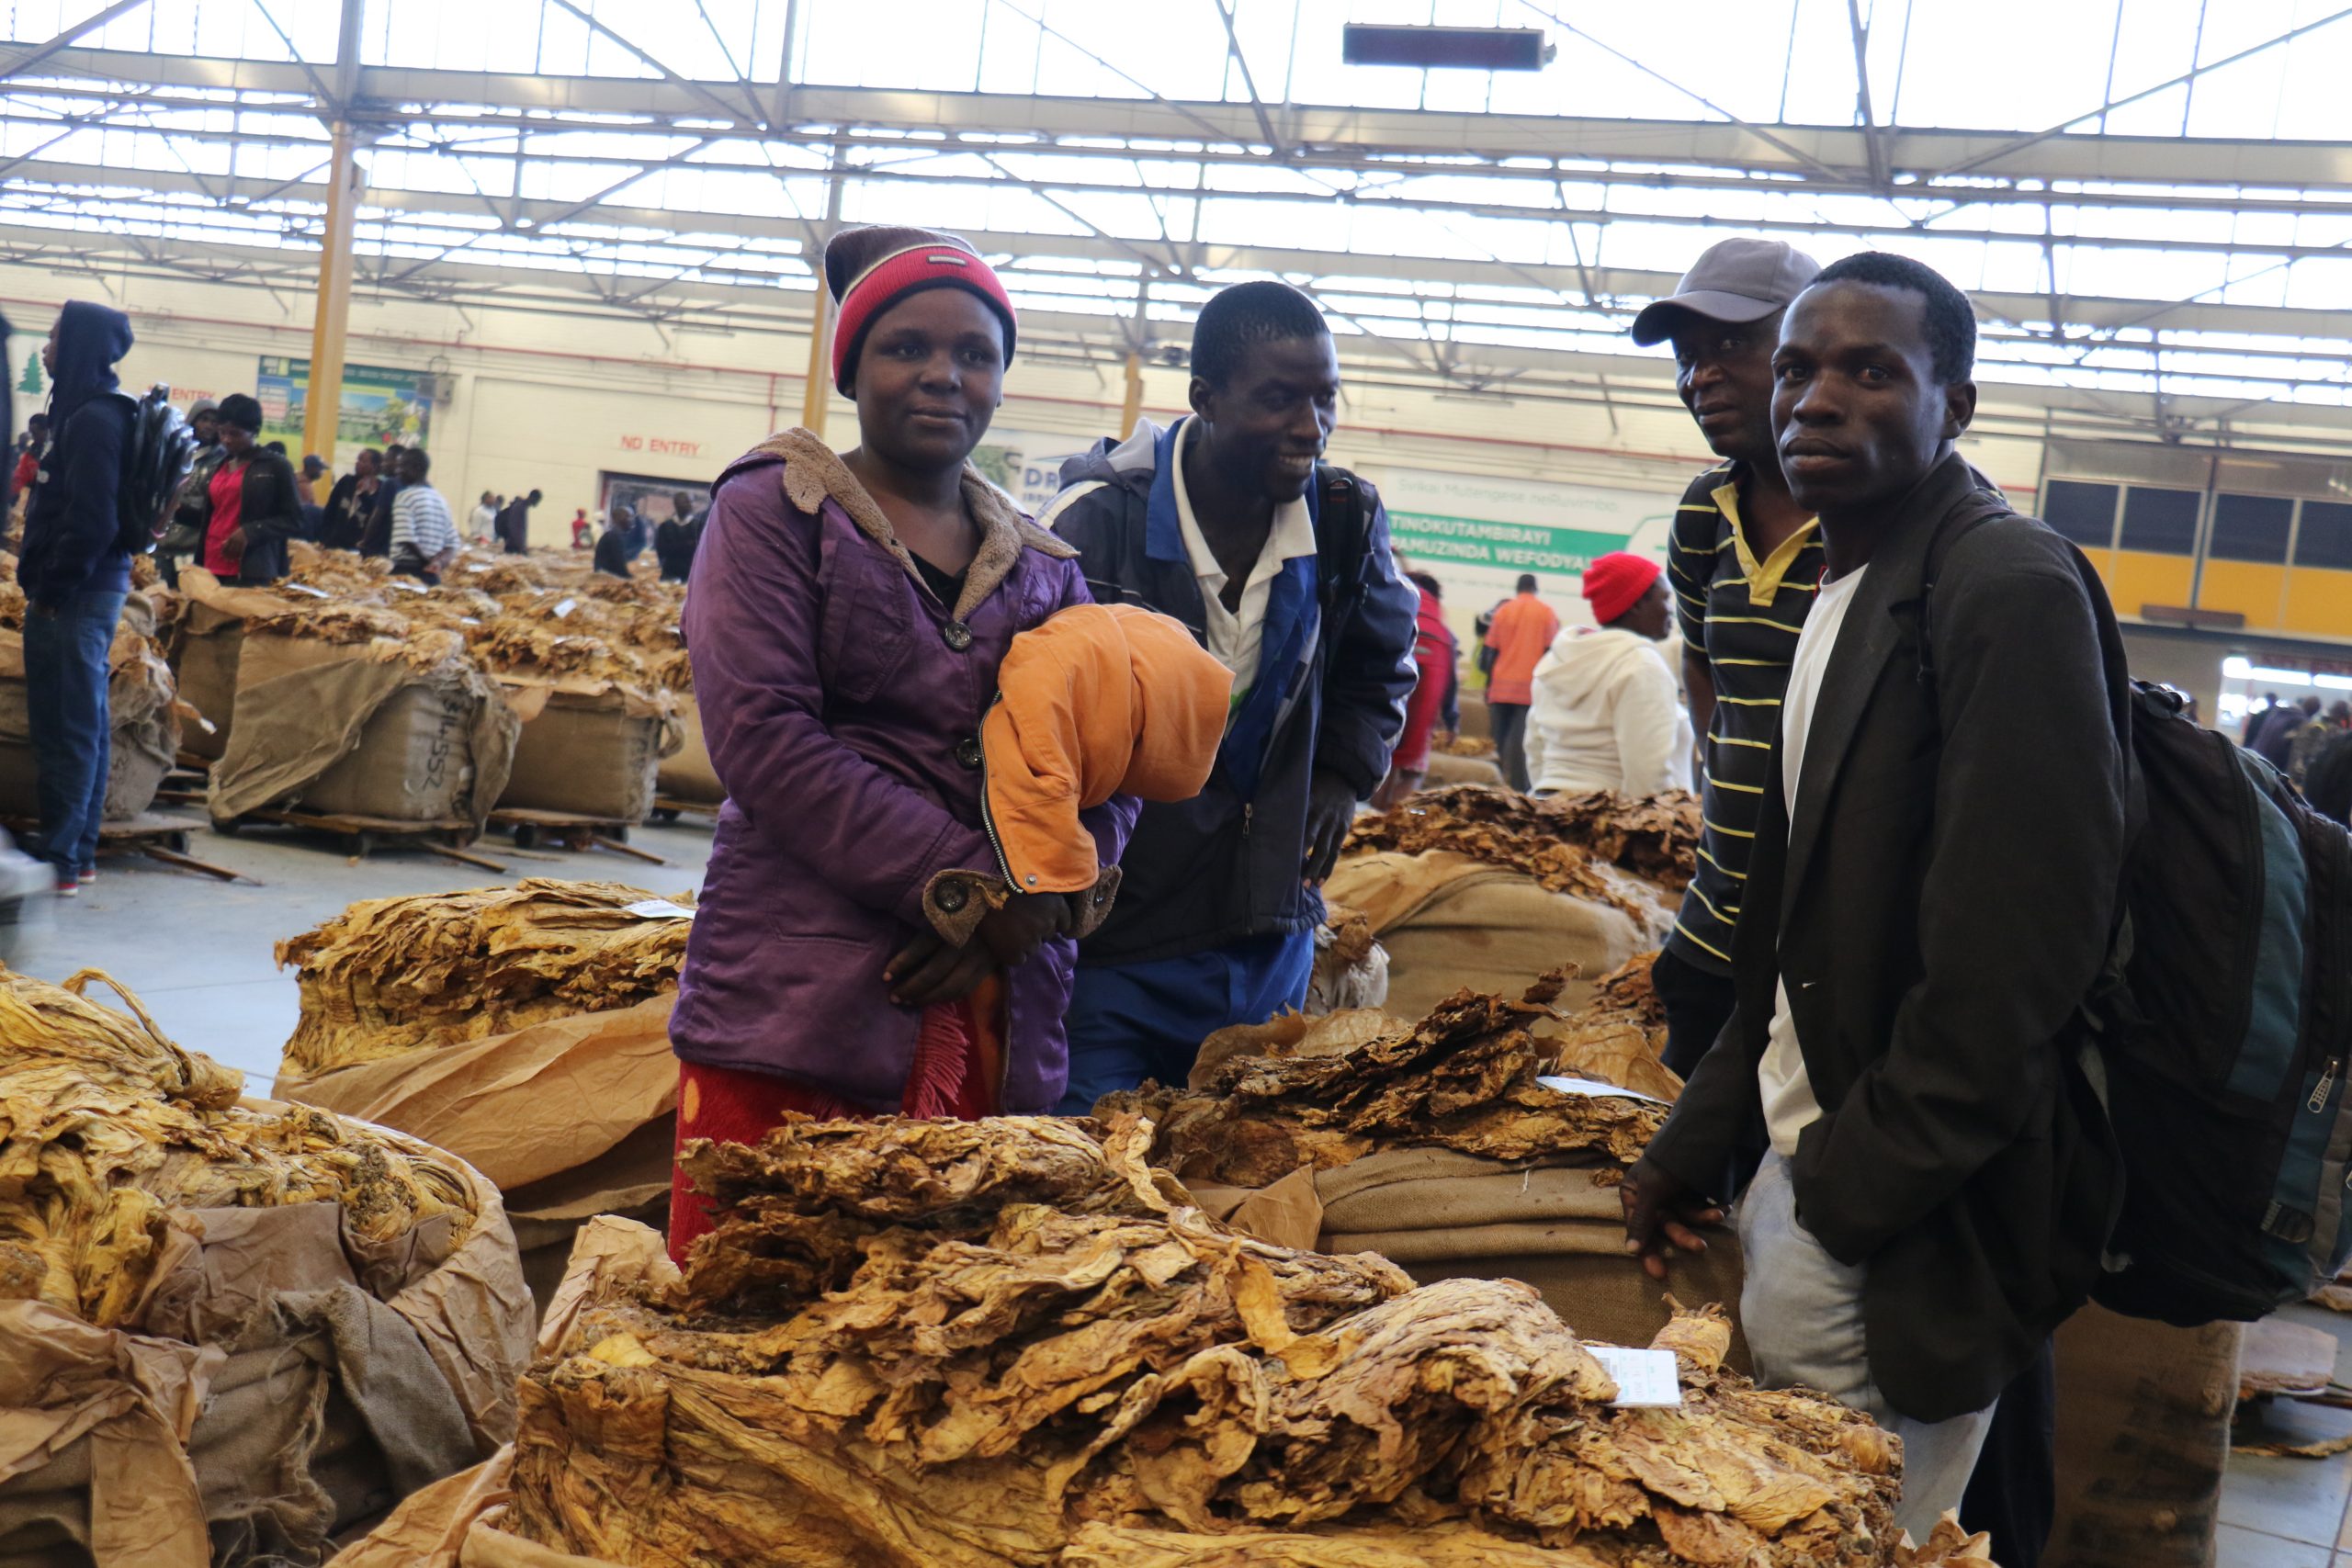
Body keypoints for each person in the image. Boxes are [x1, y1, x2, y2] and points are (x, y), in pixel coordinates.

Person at [1621, 253, 2128, 1549]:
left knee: (1861, 1531)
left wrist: (1843, 1194)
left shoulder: (2004, 586)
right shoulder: (1848, 587)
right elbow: (1794, 934)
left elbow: (2019, 960)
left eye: (1870, 370)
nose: (1818, 398)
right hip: (1815, 1173)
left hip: (1901, 1212)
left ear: (1955, 402)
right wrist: (1708, 1126)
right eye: (1798, 368)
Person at [667, 224, 1140, 1260]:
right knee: (741, 1305)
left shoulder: (1043, 566)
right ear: (852, 368)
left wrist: (1047, 892)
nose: (942, 376)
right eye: (905, 348)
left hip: (996, 1013)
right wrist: (970, 885)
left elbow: (1108, 758)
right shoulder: (776, 511)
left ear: (1003, 380)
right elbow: (764, 739)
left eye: (975, 353)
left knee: (935, 1332)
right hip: (797, 1002)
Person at [1043, 278, 1419, 1111]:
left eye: (1325, 400)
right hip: (1114, 943)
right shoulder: (1095, 526)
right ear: (1205, 399)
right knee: (1087, 1176)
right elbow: (1031, 731)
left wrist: (1339, 777)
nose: (1309, 428)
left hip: (1264, 934)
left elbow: (1383, 659)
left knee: (1228, 1181)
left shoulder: (1345, 519)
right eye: (1279, 400)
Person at [1634, 237, 1826, 1082]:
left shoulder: (1895, 526)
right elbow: (1706, 666)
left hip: (1830, 964)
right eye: (1687, 357)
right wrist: (1731, 784)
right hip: (1712, 928)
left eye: (1731, 346)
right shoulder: (1704, 514)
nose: (1699, 376)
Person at [18, 302, 136, 896]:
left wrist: (53, 589)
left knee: (66, 725)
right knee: (83, 721)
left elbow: (91, 518)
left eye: (55, 337)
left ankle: (61, 855)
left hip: (77, 592)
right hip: (86, 588)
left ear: (82, 345)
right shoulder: (84, 411)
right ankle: (77, 852)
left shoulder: (93, 419)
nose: (46, 347)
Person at [1524, 551, 1690, 797]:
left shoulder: (1555, 662)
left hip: (1547, 810)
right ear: (1635, 604)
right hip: (1608, 822)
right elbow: (1647, 771)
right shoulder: (1641, 664)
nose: (1670, 611)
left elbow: (1535, 749)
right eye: (1664, 599)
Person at [1372, 569, 1459, 809]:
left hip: (1391, 691)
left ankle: (1374, 819)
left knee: (1386, 758)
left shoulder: (1397, 606)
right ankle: (1394, 820)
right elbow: (1450, 679)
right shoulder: (1442, 629)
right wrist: (1452, 721)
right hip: (1426, 699)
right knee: (1413, 769)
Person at [197, 394, 303, 584]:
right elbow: (216, 514)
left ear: (255, 431)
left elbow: (294, 519)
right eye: (222, 433)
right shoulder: (220, 465)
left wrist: (250, 532)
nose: (227, 440)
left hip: (251, 570)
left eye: (235, 434)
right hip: (210, 564)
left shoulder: (276, 466)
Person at [1480, 573, 1558, 790]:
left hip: (1500, 688)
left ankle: (1490, 789)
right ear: (1535, 589)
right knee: (1522, 746)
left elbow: (1489, 653)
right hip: (1529, 690)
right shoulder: (1546, 613)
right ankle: (1519, 793)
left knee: (1495, 744)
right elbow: (1550, 655)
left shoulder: (1503, 611)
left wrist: (1489, 686)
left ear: (1517, 589)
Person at [388, 448, 459, 586]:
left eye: (402, 466)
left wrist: (427, 561)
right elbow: (453, 544)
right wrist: (437, 562)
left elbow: (406, 538)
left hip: (406, 573)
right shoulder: (441, 500)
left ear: (417, 468)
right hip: (432, 577)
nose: (398, 471)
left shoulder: (405, 497)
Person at [318, 446, 381, 551]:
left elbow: (374, 513)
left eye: (363, 461)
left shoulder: (381, 490)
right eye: (358, 459)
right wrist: (324, 538)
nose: (357, 463)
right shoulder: (346, 482)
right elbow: (330, 510)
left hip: (358, 546)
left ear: (375, 467)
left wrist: (363, 494)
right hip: (334, 543)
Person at [2255, 693, 2322, 772]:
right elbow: (2291, 750)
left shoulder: (2279, 713)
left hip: (2256, 757)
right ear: (2314, 712)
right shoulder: (2300, 722)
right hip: (2271, 766)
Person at [359, 442, 404, 558]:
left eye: (386, 460)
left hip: (380, 548)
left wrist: (365, 541)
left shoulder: (390, 484)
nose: (383, 464)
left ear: (397, 462)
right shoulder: (410, 486)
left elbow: (377, 515)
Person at [2291, 699, 2350, 785]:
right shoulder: (2338, 735)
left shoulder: (2311, 724)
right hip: (2313, 783)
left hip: (2294, 780)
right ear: (2344, 717)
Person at [655, 490, 704, 581]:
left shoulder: (700, 526)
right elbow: (662, 551)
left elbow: (700, 551)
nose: (690, 505)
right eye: (686, 502)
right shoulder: (664, 526)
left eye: (691, 502)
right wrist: (688, 544)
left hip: (692, 576)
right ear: (676, 504)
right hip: (668, 575)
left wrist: (675, 547)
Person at [498, 489, 540, 554]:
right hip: (514, 545)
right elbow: (515, 528)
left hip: (514, 544)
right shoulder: (520, 507)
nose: (538, 503)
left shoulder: (522, 506)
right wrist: (521, 547)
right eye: (538, 500)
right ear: (534, 498)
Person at [296, 453, 327, 536]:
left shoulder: (296, 477)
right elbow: (307, 514)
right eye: (321, 469)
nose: (322, 473)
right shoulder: (305, 487)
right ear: (312, 468)